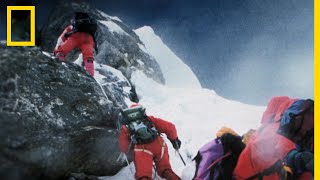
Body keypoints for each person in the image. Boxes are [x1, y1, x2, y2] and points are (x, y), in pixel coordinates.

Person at [119, 104, 181, 180]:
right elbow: (170, 127)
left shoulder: (126, 127)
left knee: (144, 175)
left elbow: (124, 146)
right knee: (165, 169)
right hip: (159, 145)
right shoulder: (150, 119)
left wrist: (128, 151)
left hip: (142, 149)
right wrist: (175, 140)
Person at [54, 12, 97, 76]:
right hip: (88, 39)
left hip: (75, 37)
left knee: (62, 51)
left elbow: (61, 38)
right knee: (88, 57)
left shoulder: (70, 27)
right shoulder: (89, 28)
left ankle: (58, 64)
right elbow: (93, 40)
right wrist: (94, 49)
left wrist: (56, 50)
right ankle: (90, 75)